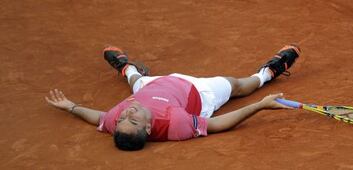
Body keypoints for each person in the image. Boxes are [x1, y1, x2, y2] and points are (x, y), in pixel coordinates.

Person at [45, 44, 301, 151]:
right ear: (148, 127)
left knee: (136, 82)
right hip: (198, 91)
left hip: (153, 85)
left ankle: (127, 68)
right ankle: (269, 71)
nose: (128, 113)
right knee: (238, 86)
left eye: (124, 116)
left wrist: (71, 107)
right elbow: (216, 125)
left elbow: (99, 117)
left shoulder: (118, 122)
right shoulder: (174, 124)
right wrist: (259, 106)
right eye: (133, 120)